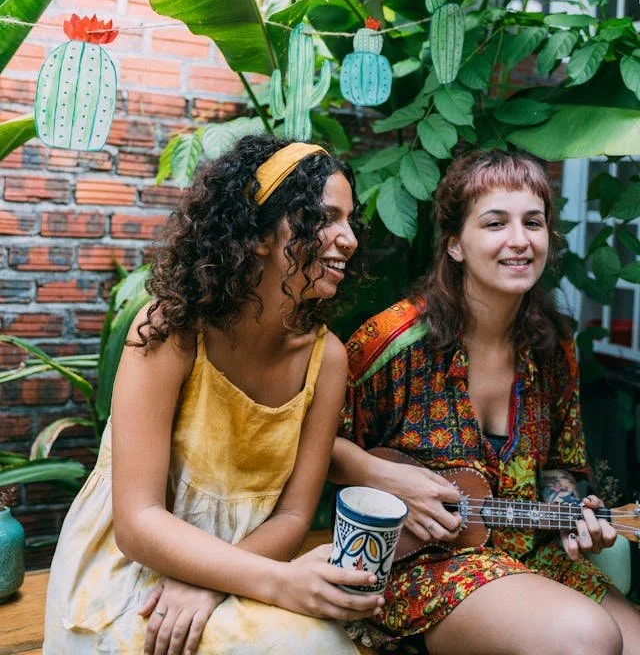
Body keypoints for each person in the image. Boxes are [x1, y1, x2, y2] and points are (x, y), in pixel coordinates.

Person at [44, 135, 385, 655]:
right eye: (326, 218)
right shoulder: (172, 330)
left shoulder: (326, 359)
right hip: (130, 578)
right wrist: (276, 582)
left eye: (349, 220)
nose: (350, 238)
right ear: (260, 235)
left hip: (241, 567)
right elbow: (137, 525)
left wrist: (217, 581)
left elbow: (294, 517)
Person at [332, 149, 640, 655]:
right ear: (455, 244)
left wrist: (569, 512)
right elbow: (317, 447)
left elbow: (559, 466)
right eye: (496, 223)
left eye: (533, 223)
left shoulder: (555, 346)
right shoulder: (391, 341)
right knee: (586, 638)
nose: (519, 240)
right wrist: (385, 478)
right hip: (425, 563)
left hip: (532, 555)